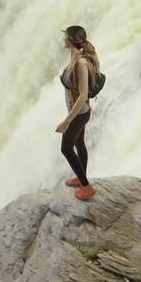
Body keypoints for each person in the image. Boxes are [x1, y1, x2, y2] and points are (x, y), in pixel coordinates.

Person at [55, 25, 102, 200]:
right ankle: (81, 177)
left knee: (66, 148)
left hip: (79, 113)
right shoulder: (74, 57)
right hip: (78, 112)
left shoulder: (81, 63)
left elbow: (82, 96)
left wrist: (67, 121)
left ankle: (86, 187)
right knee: (79, 144)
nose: (63, 40)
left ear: (70, 40)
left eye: (65, 37)